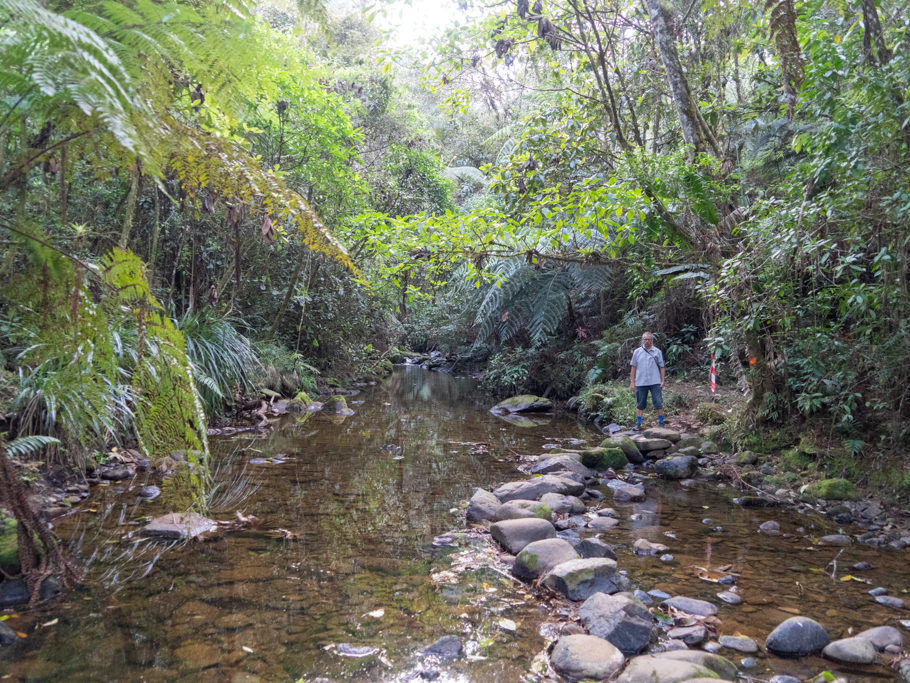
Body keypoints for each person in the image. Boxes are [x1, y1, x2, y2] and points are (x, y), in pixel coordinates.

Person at [629, 332, 665, 430]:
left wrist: (662, 381)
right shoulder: (637, 352)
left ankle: (661, 422)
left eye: (649, 339)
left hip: (655, 381)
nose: (647, 341)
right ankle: (638, 423)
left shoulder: (657, 352)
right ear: (642, 340)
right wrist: (632, 382)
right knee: (640, 403)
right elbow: (633, 367)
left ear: (652, 340)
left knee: (658, 402)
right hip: (641, 382)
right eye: (645, 339)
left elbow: (662, 367)